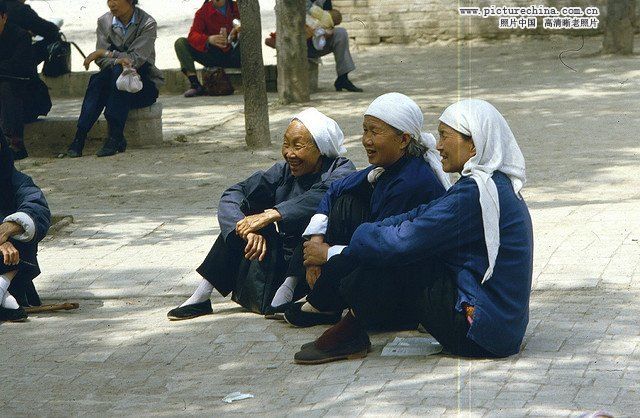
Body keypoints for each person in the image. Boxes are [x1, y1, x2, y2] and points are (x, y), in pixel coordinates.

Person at [293, 99, 534, 364]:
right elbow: (422, 213)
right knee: (394, 247)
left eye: (444, 137)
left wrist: (360, 236)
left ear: (473, 144)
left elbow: (403, 241)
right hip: (498, 328)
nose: (438, 145)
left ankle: (350, 327)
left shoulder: (476, 193)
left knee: (401, 257)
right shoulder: (486, 185)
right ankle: (350, 323)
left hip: (479, 332)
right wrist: (370, 232)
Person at [271, 93, 450, 327]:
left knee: (361, 267)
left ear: (404, 139)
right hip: (375, 248)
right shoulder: (385, 168)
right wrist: (316, 242)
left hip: (403, 278)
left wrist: (327, 254)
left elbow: (382, 247)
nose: (366, 140)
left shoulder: (411, 182)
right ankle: (310, 288)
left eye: (374, 132)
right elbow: (335, 188)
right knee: (345, 202)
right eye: (365, 131)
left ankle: (325, 301)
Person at [167, 108, 356, 320]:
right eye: (286, 144)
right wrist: (246, 230)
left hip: (311, 263)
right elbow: (234, 193)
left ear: (320, 148)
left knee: (312, 229)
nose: (289, 153)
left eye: (298, 146)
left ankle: (288, 291)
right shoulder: (282, 171)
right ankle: (202, 295)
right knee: (243, 223)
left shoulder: (341, 169)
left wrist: (273, 214)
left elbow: (323, 196)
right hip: (278, 261)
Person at [64, 0, 164, 158]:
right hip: (112, 81)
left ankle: (114, 136)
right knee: (99, 79)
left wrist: (106, 53)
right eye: (109, 0)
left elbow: (134, 60)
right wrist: (113, 58)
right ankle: (80, 136)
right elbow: (100, 61)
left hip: (141, 86)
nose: (111, 4)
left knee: (118, 71)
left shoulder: (147, 23)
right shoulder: (104, 21)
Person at [0, 129, 51, 322]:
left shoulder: (18, 181)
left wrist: (6, 230)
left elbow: (37, 208)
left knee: (24, 227)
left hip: (13, 264)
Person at [265, 0, 362, 92]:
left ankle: (342, 78)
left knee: (341, 33)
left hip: (317, 43)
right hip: (297, 44)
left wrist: (328, 32)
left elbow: (328, 20)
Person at [0, 0, 51, 160]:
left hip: (26, 99)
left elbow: (19, 67)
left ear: (3, 17)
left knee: (7, 87)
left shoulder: (20, 36)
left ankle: (15, 144)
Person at [175, 0, 241, 97]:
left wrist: (237, 31)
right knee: (181, 43)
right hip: (214, 55)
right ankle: (195, 84)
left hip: (234, 54)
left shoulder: (236, 7)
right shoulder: (203, 11)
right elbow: (192, 35)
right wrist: (208, 39)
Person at [4, 0, 60, 66]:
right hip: (15, 60)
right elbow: (51, 30)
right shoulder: (21, 9)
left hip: (5, 54)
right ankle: (51, 71)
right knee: (55, 38)